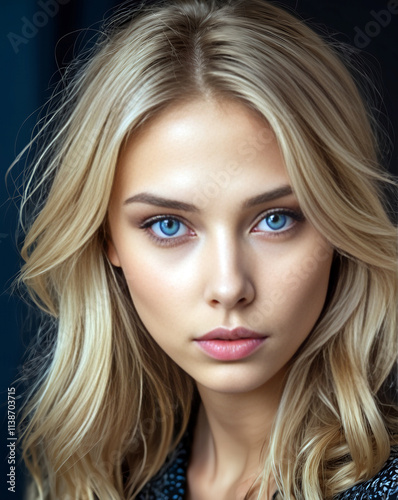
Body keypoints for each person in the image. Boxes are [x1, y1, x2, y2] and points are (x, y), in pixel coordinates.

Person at [13, 0, 397, 498]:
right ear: (108, 239)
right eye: (169, 225)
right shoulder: (112, 480)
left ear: (338, 225)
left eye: (275, 220)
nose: (228, 286)